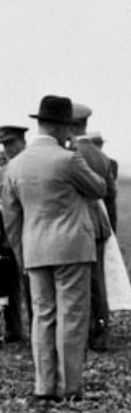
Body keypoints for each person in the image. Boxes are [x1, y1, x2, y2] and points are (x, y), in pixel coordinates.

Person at [0, 96, 105, 405]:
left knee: (43, 316)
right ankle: (70, 387)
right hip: (72, 248)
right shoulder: (68, 159)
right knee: (72, 317)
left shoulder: (15, 165)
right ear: (62, 126)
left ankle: (45, 386)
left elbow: (10, 216)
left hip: (35, 249)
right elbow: (99, 187)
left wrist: (22, 253)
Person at [71, 106, 114, 352]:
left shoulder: (72, 153)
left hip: (78, 223)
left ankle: (89, 335)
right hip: (99, 223)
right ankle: (100, 334)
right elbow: (109, 193)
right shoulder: (101, 156)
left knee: (81, 283)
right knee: (98, 283)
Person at [0, 126, 31, 343]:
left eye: (11, 143)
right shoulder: (3, 169)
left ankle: (37, 331)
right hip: (8, 237)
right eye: (5, 144)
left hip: (28, 235)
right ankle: (13, 331)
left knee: (32, 286)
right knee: (10, 287)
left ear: (23, 142)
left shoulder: (30, 165)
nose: (8, 149)